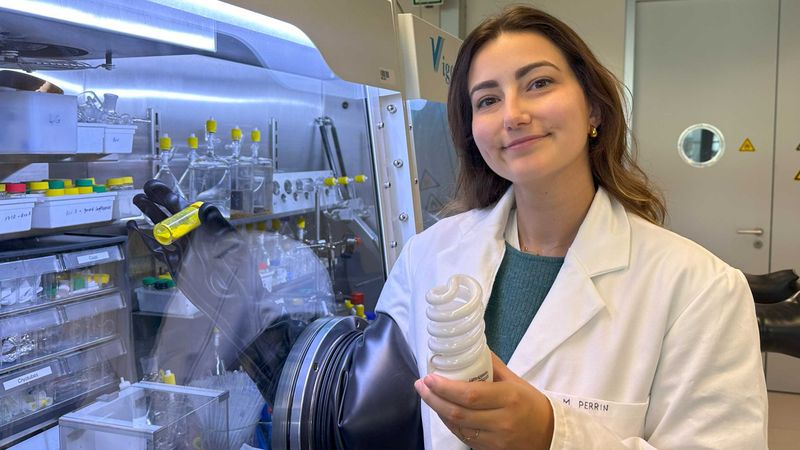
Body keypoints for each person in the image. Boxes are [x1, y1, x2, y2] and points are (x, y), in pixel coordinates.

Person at [375, 5, 768, 449]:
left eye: (538, 83)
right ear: (472, 131)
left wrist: (551, 435)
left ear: (594, 109)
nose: (513, 114)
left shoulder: (701, 288)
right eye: (488, 99)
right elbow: (391, 408)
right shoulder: (426, 256)